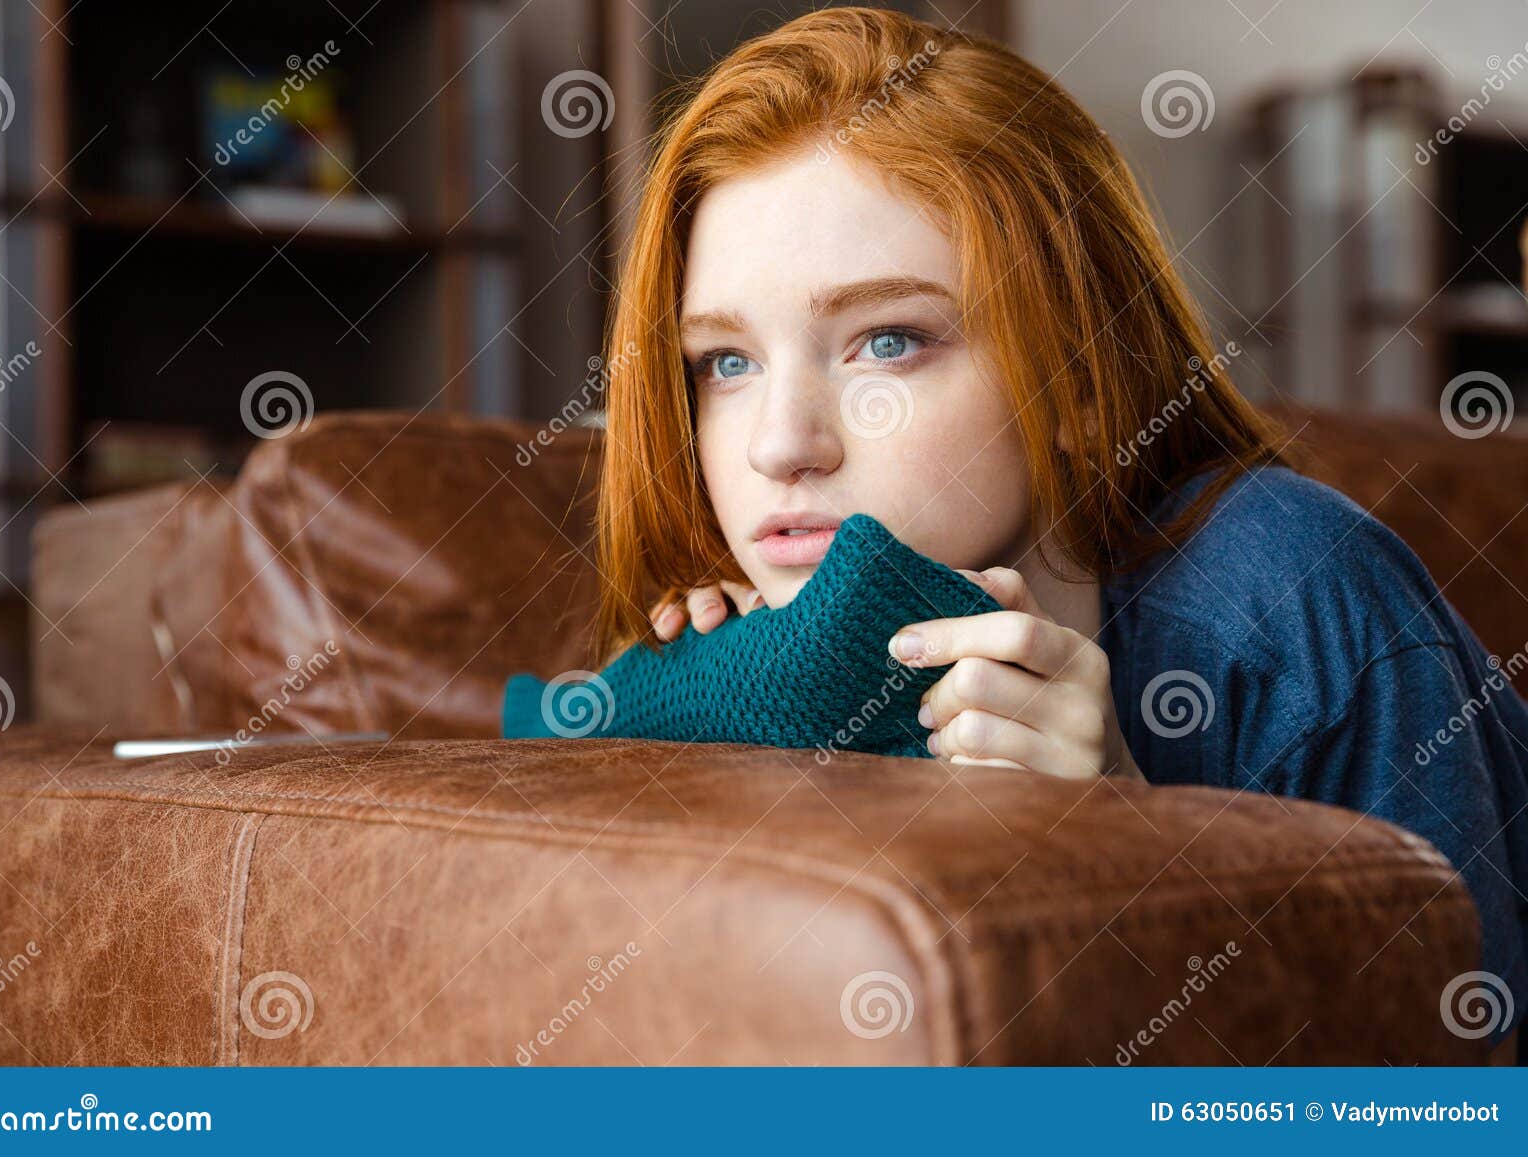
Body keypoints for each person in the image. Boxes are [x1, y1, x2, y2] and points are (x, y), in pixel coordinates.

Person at [588, 6, 1524, 1061]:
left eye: (886, 341)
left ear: (1082, 380)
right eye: (725, 362)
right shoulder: (737, 642)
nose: (778, 446)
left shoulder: (1291, 605)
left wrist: (1130, 854)